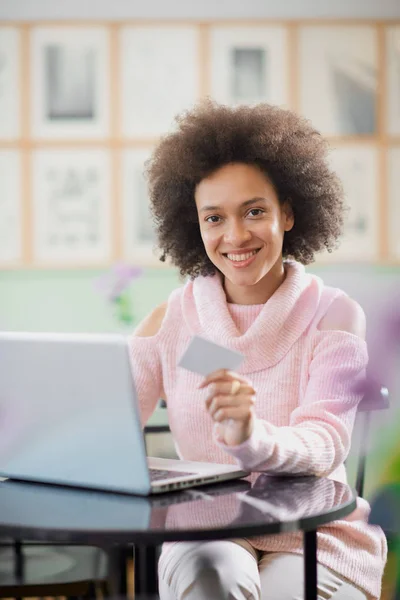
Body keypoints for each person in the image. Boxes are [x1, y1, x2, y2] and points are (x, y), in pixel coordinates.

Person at [129, 101, 387, 600]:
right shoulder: (173, 321)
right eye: (214, 218)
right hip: (207, 527)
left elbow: (326, 442)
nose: (236, 236)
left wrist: (250, 437)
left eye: (254, 211)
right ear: (195, 226)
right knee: (213, 578)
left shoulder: (334, 316)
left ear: (288, 213)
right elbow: (102, 423)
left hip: (316, 532)